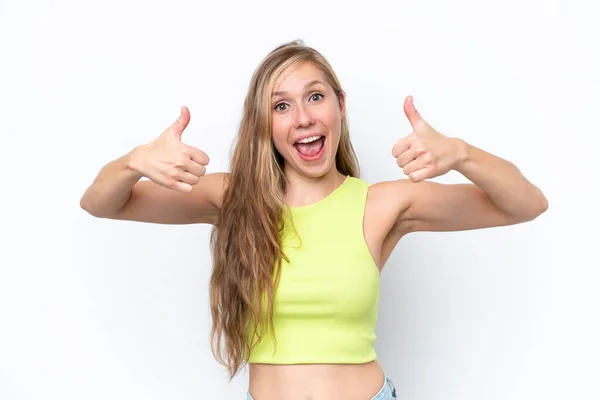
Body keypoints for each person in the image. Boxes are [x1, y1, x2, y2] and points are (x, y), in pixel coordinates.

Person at [80, 39, 548, 400]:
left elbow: (525, 204)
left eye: (315, 97)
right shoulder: (233, 199)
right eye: (282, 106)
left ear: (340, 105)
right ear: (266, 125)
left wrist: (461, 154)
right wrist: (135, 161)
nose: (302, 117)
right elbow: (101, 203)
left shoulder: (381, 205)